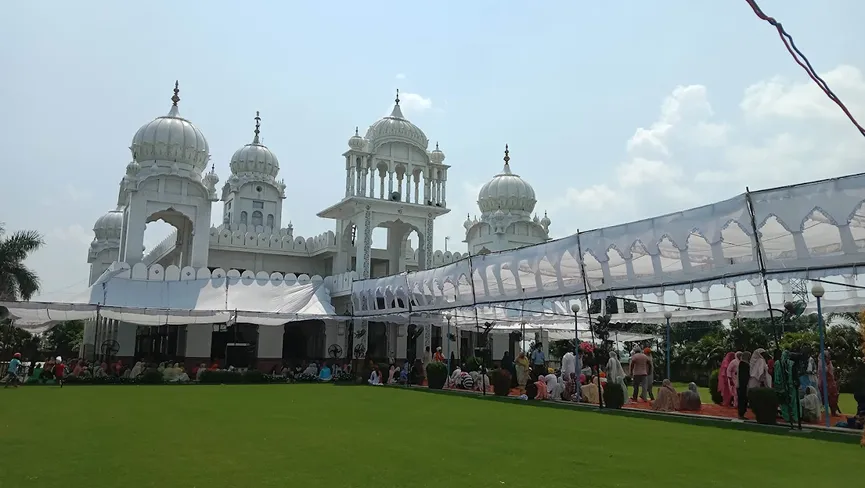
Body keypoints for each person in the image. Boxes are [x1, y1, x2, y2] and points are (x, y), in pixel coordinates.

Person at [773, 350, 798, 423]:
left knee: (783, 402)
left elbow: (775, 375)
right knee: (793, 402)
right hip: (791, 385)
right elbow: (795, 375)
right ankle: (794, 417)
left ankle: (787, 417)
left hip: (781, 386)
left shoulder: (777, 363)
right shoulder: (792, 363)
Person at [818, 351, 841, 416]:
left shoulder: (829, 363)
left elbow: (831, 371)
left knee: (834, 396)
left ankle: (833, 411)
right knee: (825, 397)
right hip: (824, 382)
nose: (829, 357)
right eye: (828, 356)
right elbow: (824, 371)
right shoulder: (821, 363)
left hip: (831, 382)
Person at [737, 351, 752, 419]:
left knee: (743, 400)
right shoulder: (744, 364)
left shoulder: (742, 364)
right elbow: (743, 377)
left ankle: (741, 413)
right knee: (742, 400)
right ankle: (741, 414)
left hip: (742, 385)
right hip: (743, 386)